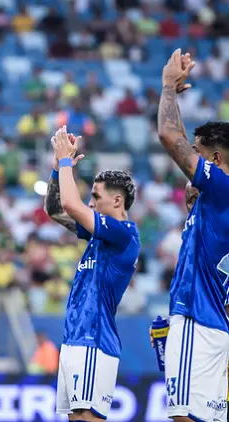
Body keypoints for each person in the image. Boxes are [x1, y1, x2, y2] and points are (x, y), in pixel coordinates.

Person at [45, 126, 140, 421]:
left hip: (95, 342)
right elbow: (55, 209)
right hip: (76, 339)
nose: (90, 203)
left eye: (96, 197)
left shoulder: (125, 234)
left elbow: (72, 205)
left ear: (117, 201)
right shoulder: (99, 234)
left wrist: (64, 162)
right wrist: (56, 171)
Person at [157, 49, 229, 422]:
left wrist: (168, 85)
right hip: (218, 326)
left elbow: (170, 136)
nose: (192, 169)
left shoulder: (222, 187)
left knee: (184, 418)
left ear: (214, 162)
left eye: (199, 156)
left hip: (197, 318)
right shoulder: (214, 202)